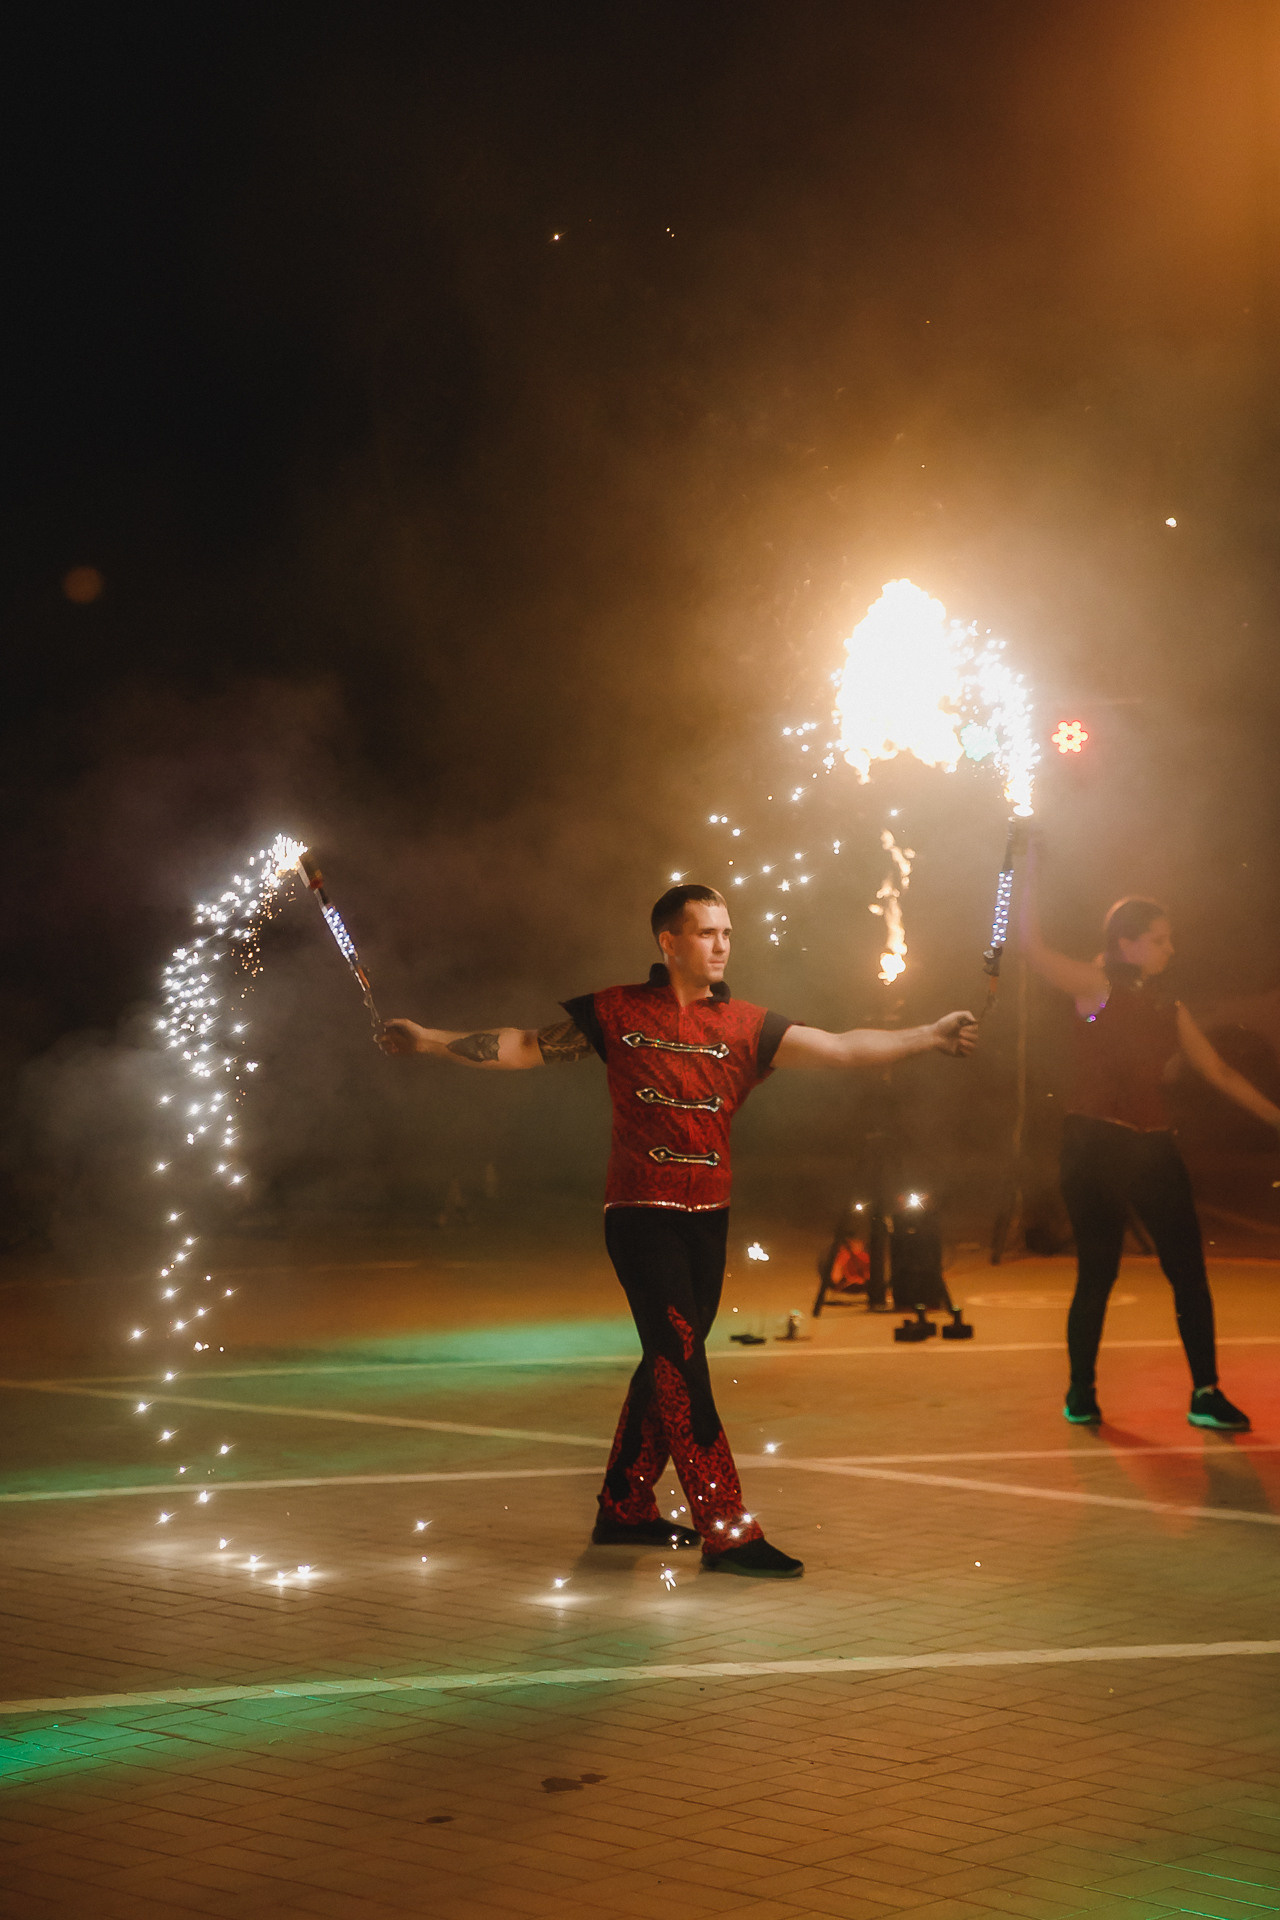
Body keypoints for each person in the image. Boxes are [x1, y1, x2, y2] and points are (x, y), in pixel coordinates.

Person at [380, 883, 977, 1578]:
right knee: (682, 1365)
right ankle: (727, 1529)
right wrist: (428, 1040)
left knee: (669, 1362)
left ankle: (624, 1505)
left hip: (709, 1220)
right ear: (669, 942)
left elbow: (843, 1048)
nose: (722, 944)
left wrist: (927, 1036)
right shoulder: (617, 1011)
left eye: (727, 932)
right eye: (706, 933)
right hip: (640, 1215)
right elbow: (516, 1047)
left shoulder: (749, 1026)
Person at [1020, 842, 1280, 1430]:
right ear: (1126, 943)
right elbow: (1032, 950)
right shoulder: (1095, 984)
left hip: (1153, 1147)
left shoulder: (1168, 1004)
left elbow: (1219, 1071)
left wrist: (1275, 1118)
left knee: (1188, 1269)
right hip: (1093, 1145)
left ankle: (1206, 1393)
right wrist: (1026, 870)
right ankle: (1081, 1392)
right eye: (1160, 939)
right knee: (1098, 1272)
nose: (1170, 948)